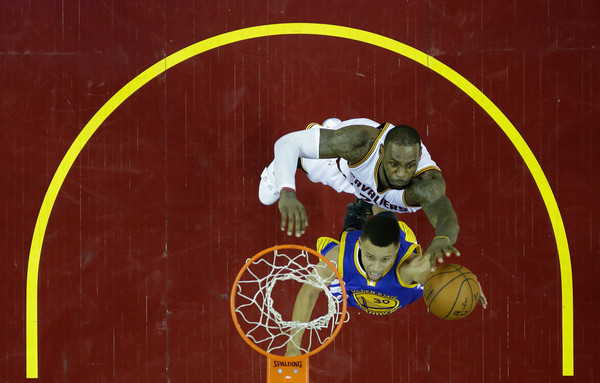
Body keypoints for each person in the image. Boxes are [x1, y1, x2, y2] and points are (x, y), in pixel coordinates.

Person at [259, 117, 460, 269]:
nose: (401, 174)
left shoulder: (424, 185)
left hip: (363, 189)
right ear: (382, 153)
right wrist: (287, 191)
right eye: (394, 164)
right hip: (345, 168)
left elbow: (445, 214)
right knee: (270, 193)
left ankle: (331, 129)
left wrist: (443, 238)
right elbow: (287, 143)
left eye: (409, 166)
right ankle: (326, 132)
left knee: (372, 201)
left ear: (418, 158)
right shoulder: (361, 144)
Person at [285, 212, 487, 357]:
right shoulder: (337, 257)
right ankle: (360, 209)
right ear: (361, 245)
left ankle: (377, 199)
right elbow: (309, 292)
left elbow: (448, 277)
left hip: (395, 271)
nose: (376, 267)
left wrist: (468, 284)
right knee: (355, 222)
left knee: (385, 212)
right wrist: (293, 346)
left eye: (385, 259)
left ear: (397, 249)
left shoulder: (413, 269)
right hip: (352, 274)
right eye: (370, 257)